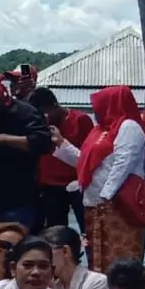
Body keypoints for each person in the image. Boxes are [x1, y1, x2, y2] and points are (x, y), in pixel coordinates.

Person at [50, 85, 145, 273]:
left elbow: (124, 162)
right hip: (95, 204)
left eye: (99, 106)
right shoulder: (100, 130)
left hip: (118, 204)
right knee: (97, 257)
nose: (95, 111)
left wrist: (106, 195)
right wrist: (61, 142)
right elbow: (87, 163)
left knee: (120, 256)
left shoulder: (129, 127)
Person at [0, 72, 53, 260]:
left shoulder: (26, 112)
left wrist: (0, 139)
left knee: (14, 254)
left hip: (17, 198)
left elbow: (43, 143)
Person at [29, 87, 92, 232]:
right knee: (55, 231)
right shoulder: (37, 123)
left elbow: (88, 155)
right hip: (50, 185)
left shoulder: (80, 119)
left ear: (54, 106)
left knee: (87, 229)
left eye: (45, 114)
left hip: (77, 183)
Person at [41, 226, 106, 289]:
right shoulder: (52, 286)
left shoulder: (97, 282)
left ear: (65, 251)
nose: (41, 258)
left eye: (46, 252)